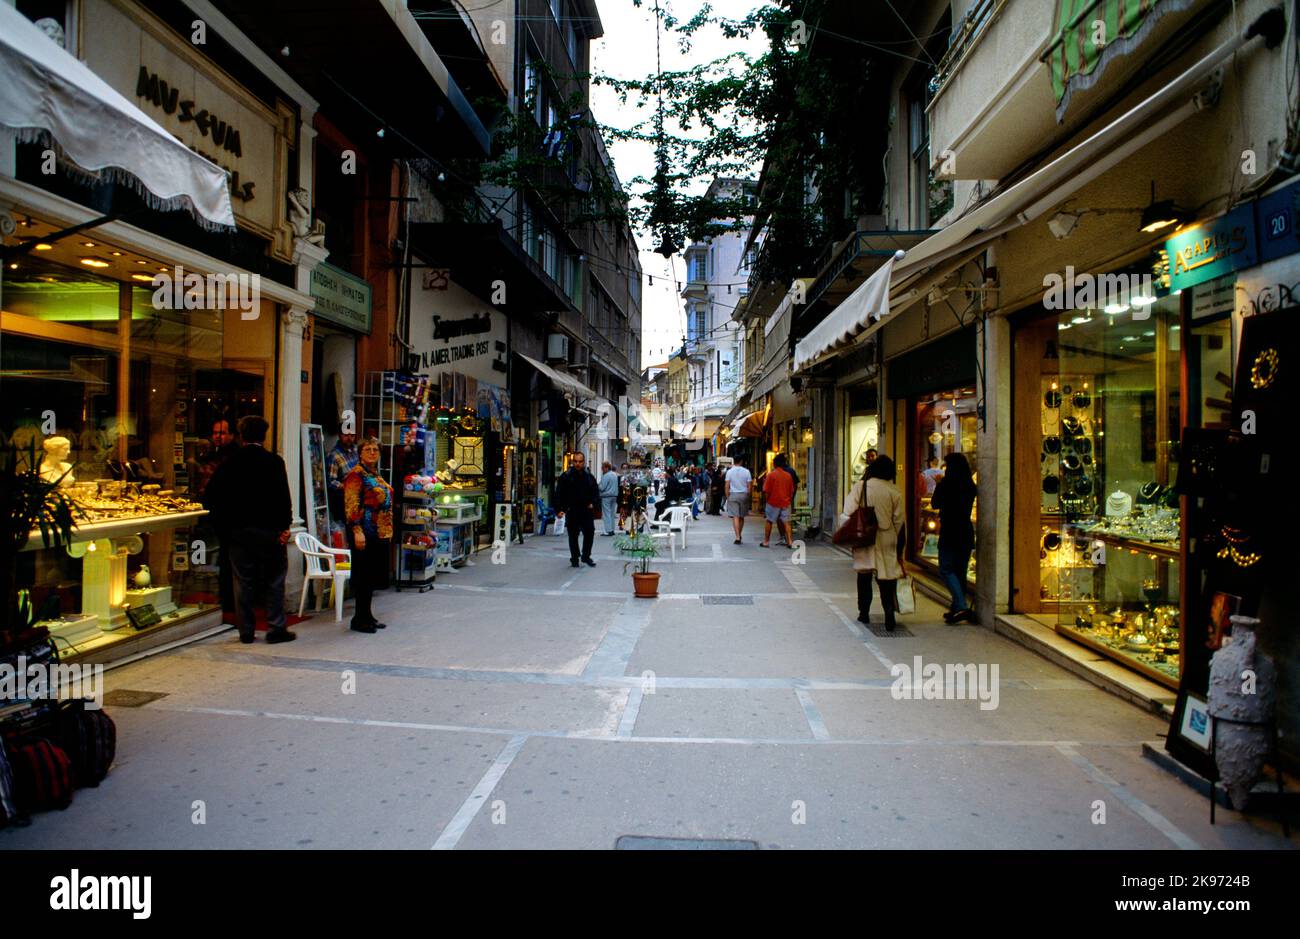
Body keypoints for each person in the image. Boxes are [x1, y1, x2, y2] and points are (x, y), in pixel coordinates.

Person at [203, 415, 295, 644]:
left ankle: (246, 630)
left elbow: (211, 497)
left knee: (243, 580)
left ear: (241, 436)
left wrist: (225, 527)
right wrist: (285, 526)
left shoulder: (230, 463)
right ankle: (276, 628)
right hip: (269, 532)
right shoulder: (274, 462)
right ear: (263, 436)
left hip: (239, 532)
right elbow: (283, 498)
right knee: (274, 579)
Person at [841, 455, 906, 632]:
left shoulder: (860, 487)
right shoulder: (894, 490)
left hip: (865, 537)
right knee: (887, 576)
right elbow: (899, 520)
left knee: (864, 575)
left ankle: (864, 612)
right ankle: (889, 614)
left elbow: (847, 512)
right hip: (887, 536)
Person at [344, 437, 395, 634]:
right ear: (360, 453)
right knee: (363, 576)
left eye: (375, 450)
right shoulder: (356, 475)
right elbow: (351, 505)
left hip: (378, 531)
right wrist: (357, 531)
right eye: (368, 449)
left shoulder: (375, 475)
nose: (372, 453)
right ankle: (359, 618)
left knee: (371, 576)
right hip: (365, 531)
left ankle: (367, 615)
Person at [197, 418, 241, 624]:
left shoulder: (230, 457)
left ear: (232, 435)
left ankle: (228, 600)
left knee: (227, 559)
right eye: (215, 432)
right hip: (214, 514)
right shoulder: (213, 454)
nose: (218, 436)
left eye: (222, 433)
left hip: (226, 515)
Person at [932, 452, 977, 624]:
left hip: (950, 530)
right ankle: (956, 609)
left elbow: (935, 503)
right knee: (960, 571)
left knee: (945, 569)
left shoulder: (947, 484)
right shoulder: (970, 485)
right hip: (965, 531)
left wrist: (938, 484)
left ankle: (961, 606)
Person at [555, 452, 599, 567]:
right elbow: (559, 493)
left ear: (584, 462)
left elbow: (595, 491)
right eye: (575, 461)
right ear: (572, 462)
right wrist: (559, 509)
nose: (578, 464)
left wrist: (593, 503)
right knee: (573, 535)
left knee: (589, 532)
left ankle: (586, 556)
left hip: (586, 510)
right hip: (572, 509)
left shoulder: (589, 476)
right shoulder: (566, 476)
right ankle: (574, 557)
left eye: (580, 461)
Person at [760, 454, 796, 548]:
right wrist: (788, 500)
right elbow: (791, 490)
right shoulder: (788, 475)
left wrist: (767, 501)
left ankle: (766, 542)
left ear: (774, 464)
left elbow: (766, 490)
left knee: (769, 521)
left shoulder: (771, 475)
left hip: (773, 502)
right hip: (785, 502)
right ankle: (790, 542)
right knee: (787, 522)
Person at [326, 431, 359, 531]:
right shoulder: (334, 455)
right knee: (349, 530)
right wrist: (346, 486)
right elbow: (331, 481)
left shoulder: (356, 450)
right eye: (346, 435)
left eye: (352, 435)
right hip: (343, 501)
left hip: (358, 498)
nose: (349, 438)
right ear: (340, 435)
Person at [724, 458, 753, 544]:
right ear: (741, 461)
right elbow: (750, 486)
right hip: (744, 495)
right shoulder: (747, 471)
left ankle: (737, 537)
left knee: (735, 516)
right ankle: (739, 534)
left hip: (733, 495)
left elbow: (727, 485)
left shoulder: (729, 472)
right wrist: (748, 495)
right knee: (741, 517)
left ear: (734, 461)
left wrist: (727, 496)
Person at [598, 461, 620, 536]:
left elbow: (602, 487)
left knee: (606, 514)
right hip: (614, 496)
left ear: (606, 468)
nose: (602, 469)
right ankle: (612, 529)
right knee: (611, 514)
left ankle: (608, 530)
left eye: (602, 468)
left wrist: (598, 485)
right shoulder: (614, 474)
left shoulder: (606, 475)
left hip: (606, 496)